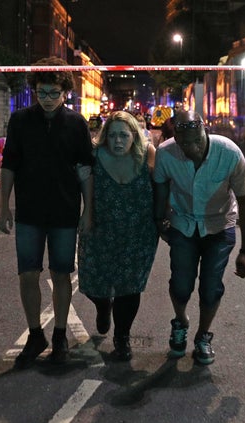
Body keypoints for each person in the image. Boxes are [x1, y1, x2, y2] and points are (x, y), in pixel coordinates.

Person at [0, 56, 94, 369]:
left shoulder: (77, 124)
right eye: (43, 92)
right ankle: (36, 334)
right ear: (34, 90)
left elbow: (85, 170)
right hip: (29, 212)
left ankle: (61, 335)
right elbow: (9, 164)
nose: (49, 98)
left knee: (61, 273)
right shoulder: (20, 121)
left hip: (65, 211)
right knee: (28, 274)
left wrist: (88, 210)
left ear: (65, 91)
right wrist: (3, 207)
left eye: (54, 92)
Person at [153, 111, 245, 365]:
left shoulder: (229, 153)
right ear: (175, 138)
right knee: (181, 284)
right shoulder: (166, 153)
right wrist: (160, 222)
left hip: (219, 226)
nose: (194, 148)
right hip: (183, 223)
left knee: (210, 288)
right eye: (186, 143)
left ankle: (202, 336)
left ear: (205, 132)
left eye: (198, 140)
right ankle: (181, 321)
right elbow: (161, 189)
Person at [78, 111, 159, 360]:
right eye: (112, 135)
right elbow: (86, 187)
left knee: (130, 287)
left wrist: (163, 219)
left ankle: (122, 337)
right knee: (93, 282)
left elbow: (160, 188)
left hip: (139, 232)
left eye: (124, 135)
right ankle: (103, 306)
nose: (118, 141)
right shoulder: (95, 155)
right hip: (101, 228)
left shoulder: (148, 153)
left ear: (134, 135)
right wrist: (87, 214)